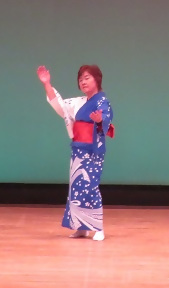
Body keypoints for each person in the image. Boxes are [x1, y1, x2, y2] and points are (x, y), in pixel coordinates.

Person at [36, 64, 114, 240]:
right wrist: (47, 84)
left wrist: (100, 120)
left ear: (97, 79)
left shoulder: (102, 101)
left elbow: (106, 119)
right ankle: (81, 227)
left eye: (87, 78)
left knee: (90, 187)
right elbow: (60, 106)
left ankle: (98, 228)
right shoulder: (78, 102)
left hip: (93, 151)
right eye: (80, 80)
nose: (83, 82)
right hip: (78, 149)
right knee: (76, 188)